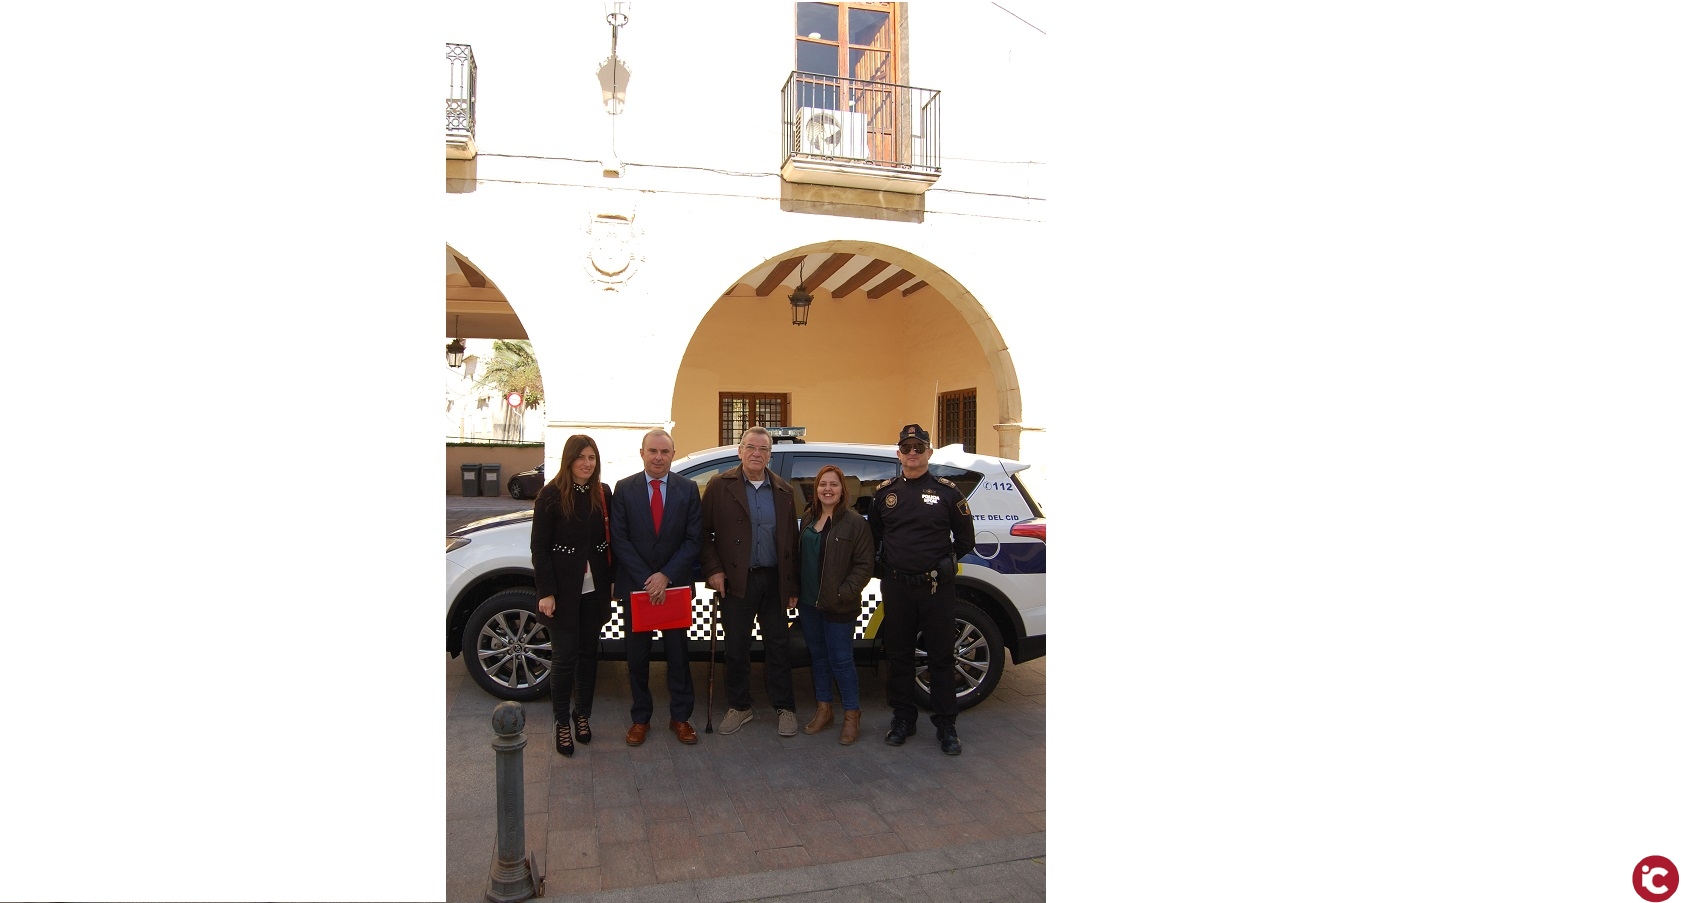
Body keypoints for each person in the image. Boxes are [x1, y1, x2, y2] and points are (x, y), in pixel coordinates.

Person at [869, 424, 976, 755]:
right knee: (898, 655)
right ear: (898, 453)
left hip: (935, 588)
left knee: (941, 656)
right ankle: (903, 719)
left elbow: (966, 539)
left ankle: (946, 724)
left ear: (929, 452)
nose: (912, 453)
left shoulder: (948, 493)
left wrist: (946, 562)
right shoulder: (884, 493)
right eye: (906, 448)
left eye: (919, 448)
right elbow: (874, 537)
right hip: (897, 587)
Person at [699, 426, 802, 737]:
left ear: (770, 455)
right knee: (736, 646)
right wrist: (714, 570)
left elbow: (792, 541)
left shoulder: (784, 490)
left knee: (778, 645)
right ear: (740, 451)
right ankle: (740, 706)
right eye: (751, 447)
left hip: (773, 580)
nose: (757, 454)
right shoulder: (719, 486)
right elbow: (703, 534)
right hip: (736, 580)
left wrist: (792, 586)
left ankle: (785, 707)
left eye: (763, 449)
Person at [610, 428, 705, 747]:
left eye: (665, 452)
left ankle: (681, 718)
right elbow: (619, 539)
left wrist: (665, 576)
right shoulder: (624, 488)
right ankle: (640, 719)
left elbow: (693, 539)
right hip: (637, 588)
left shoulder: (687, 489)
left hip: (674, 587)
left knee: (678, 657)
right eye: (653, 451)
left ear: (673, 455)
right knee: (637, 658)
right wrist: (648, 579)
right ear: (642, 453)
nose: (658, 457)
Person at [530, 434, 614, 758]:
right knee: (564, 658)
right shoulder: (550, 496)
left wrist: (611, 581)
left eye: (591, 457)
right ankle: (561, 721)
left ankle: (583, 715)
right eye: (580, 457)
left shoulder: (602, 493)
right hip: (563, 593)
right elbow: (540, 548)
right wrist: (546, 592)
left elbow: (610, 542)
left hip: (594, 591)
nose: (586, 463)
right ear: (569, 459)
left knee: (588, 655)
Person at [795, 464, 876, 745]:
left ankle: (852, 716)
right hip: (809, 604)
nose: (827, 489)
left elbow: (864, 565)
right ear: (815, 489)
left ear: (843, 490)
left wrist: (843, 594)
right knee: (818, 658)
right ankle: (824, 710)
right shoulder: (808, 518)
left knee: (841, 661)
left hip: (839, 605)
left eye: (833, 484)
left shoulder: (855, 523)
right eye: (822, 484)